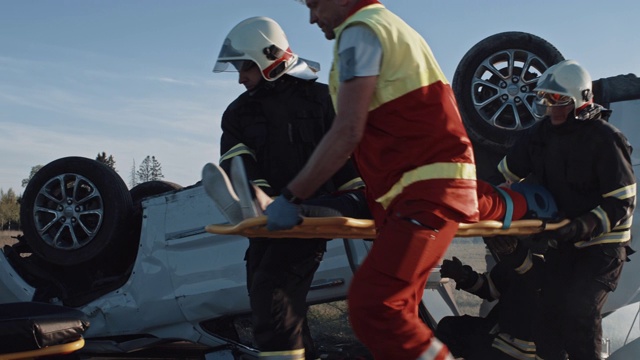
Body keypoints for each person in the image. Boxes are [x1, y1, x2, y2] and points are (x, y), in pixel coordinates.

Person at [264, 1, 479, 358]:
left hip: (425, 189)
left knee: (374, 307)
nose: (311, 17)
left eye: (316, 4)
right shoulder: (386, 27)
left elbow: (346, 132)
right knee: (399, 312)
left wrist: (291, 195)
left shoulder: (359, 32)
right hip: (423, 189)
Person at [209, 16, 365, 360]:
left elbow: (350, 158)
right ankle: (255, 202)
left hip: (311, 217)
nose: (240, 78)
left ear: (268, 58)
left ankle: (265, 205)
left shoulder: (323, 100)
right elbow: (236, 160)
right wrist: (259, 194)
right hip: (264, 225)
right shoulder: (237, 114)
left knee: (273, 299)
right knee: (269, 300)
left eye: (245, 67)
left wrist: (359, 198)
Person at [497, 59, 636, 360]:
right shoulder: (538, 136)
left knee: (580, 311)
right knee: (547, 317)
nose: (550, 107)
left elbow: (622, 202)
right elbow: (506, 176)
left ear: (580, 101)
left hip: (603, 246)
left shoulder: (606, 139)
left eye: (558, 99)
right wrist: (490, 204)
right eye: (545, 98)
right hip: (564, 241)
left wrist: (581, 225)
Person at [436, 236, 544, 360]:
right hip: (502, 340)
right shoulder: (513, 268)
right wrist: (462, 275)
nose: (497, 245)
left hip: (510, 348)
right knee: (449, 327)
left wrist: (514, 252)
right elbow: (489, 287)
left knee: (449, 329)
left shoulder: (547, 271)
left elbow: (532, 275)